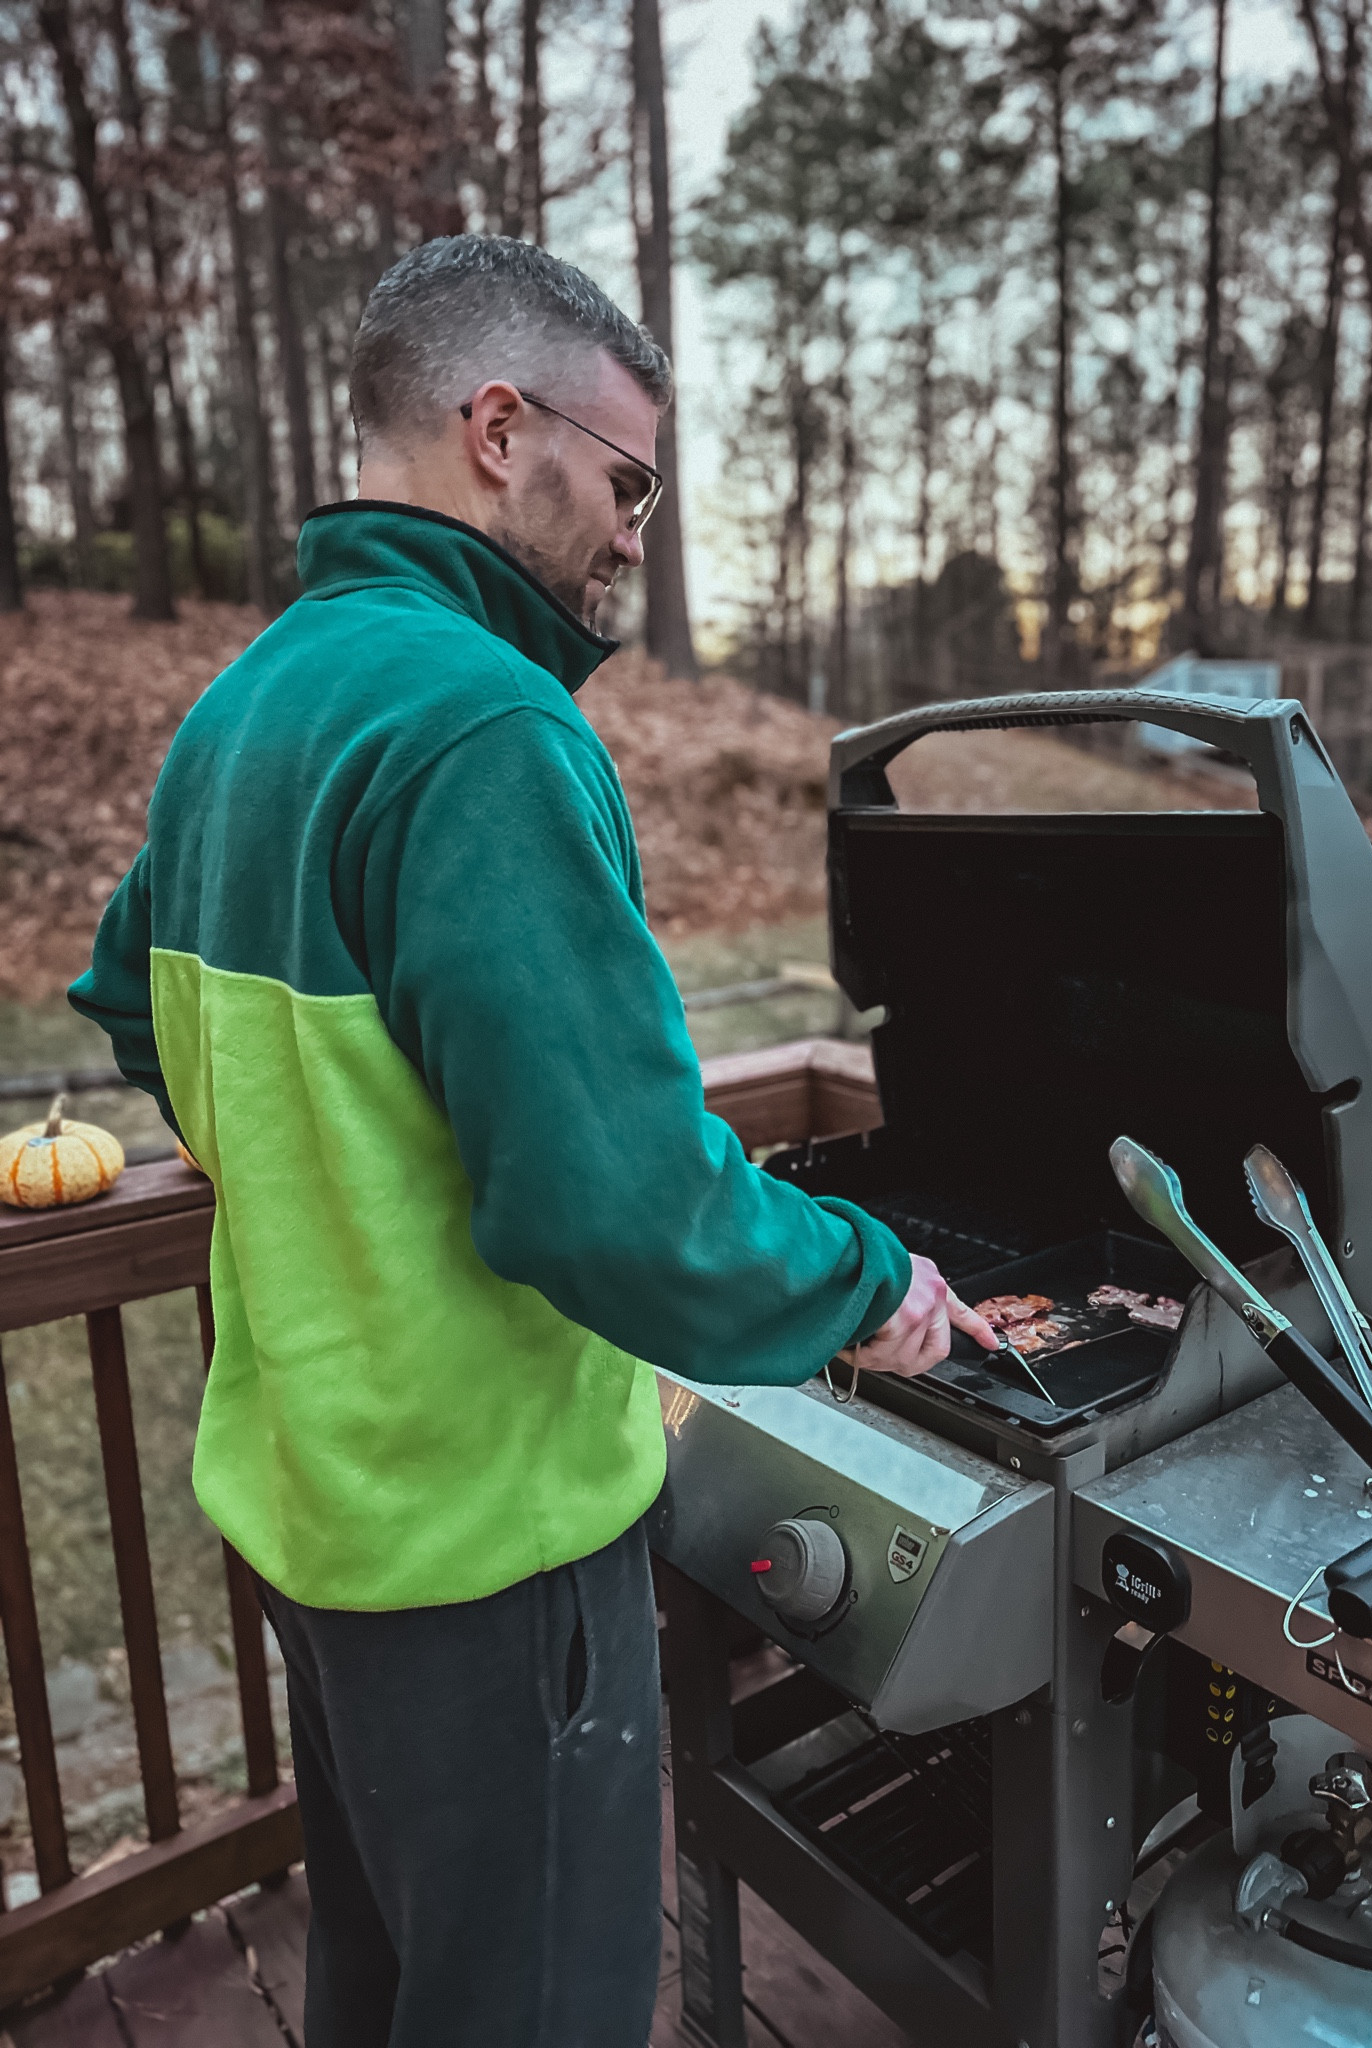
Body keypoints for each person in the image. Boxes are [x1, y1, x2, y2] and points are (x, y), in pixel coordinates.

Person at [69, 236, 996, 2048]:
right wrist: (870, 1285)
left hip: (313, 1514)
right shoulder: (487, 727)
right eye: (630, 475)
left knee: (392, 1981)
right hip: (486, 1551)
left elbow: (131, 1001)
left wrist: (323, 1173)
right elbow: (625, 1208)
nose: (641, 530)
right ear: (501, 428)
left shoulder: (245, 708)